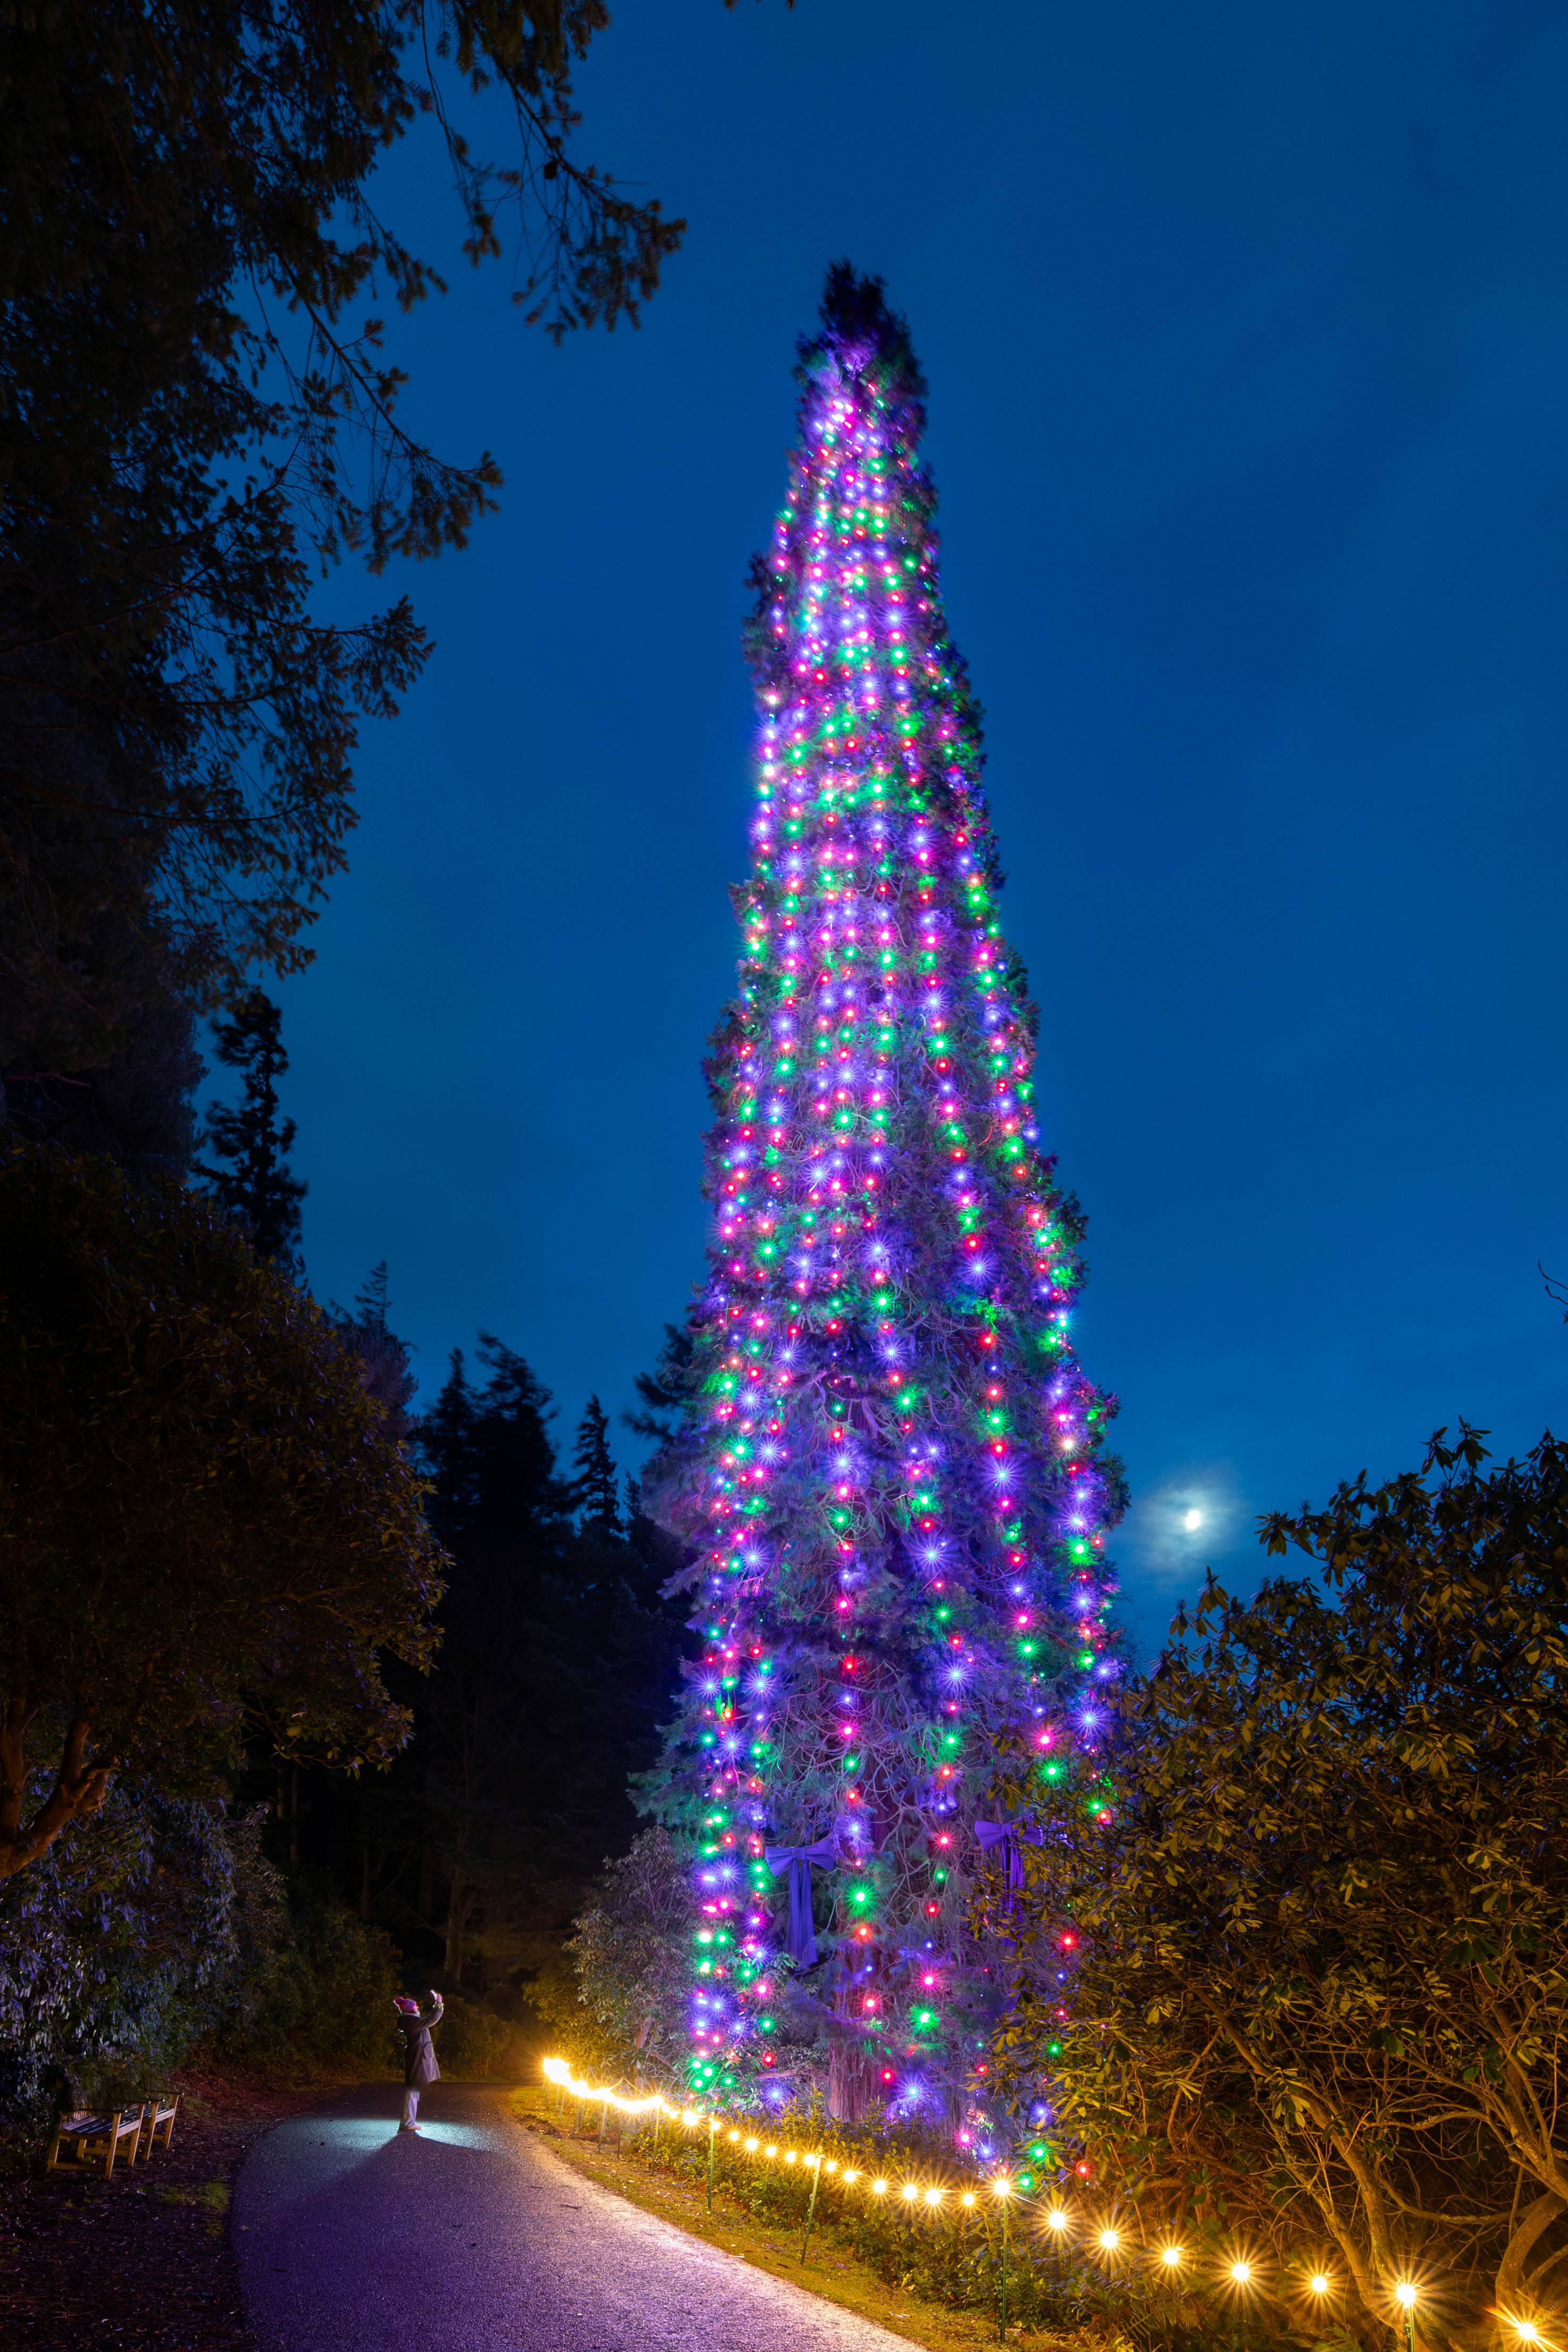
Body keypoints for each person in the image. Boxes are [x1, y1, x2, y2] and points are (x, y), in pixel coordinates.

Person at [393, 1990, 443, 2132]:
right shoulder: (412, 2022)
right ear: (410, 2010)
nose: (418, 2008)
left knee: (414, 2089)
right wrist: (438, 2004)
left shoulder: (411, 2021)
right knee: (413, 2089)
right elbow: (432, 2019)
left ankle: (409, 2121)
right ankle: (408, 2122)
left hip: (417, 2056)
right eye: (415, 2007)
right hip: (417, 2057)